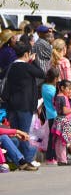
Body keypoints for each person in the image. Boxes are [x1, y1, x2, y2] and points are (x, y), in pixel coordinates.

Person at [2, 39, 44, 167]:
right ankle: (28, 159)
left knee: (15, 133)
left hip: (11, 105)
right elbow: (41, 73)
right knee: (24, 133)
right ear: (26, 54)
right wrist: (34, 60)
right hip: (25, 106)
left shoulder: (10, 67)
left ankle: (18, 159)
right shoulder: (27, 67)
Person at [41, 68, 59, 164]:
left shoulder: (43, 87)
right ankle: (51, 157)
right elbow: (56, 102)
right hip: (55, 114)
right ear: (55, 78)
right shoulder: (53, 90)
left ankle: (52, 157)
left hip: (49, 115)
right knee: (54, 137)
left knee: (52, 136)